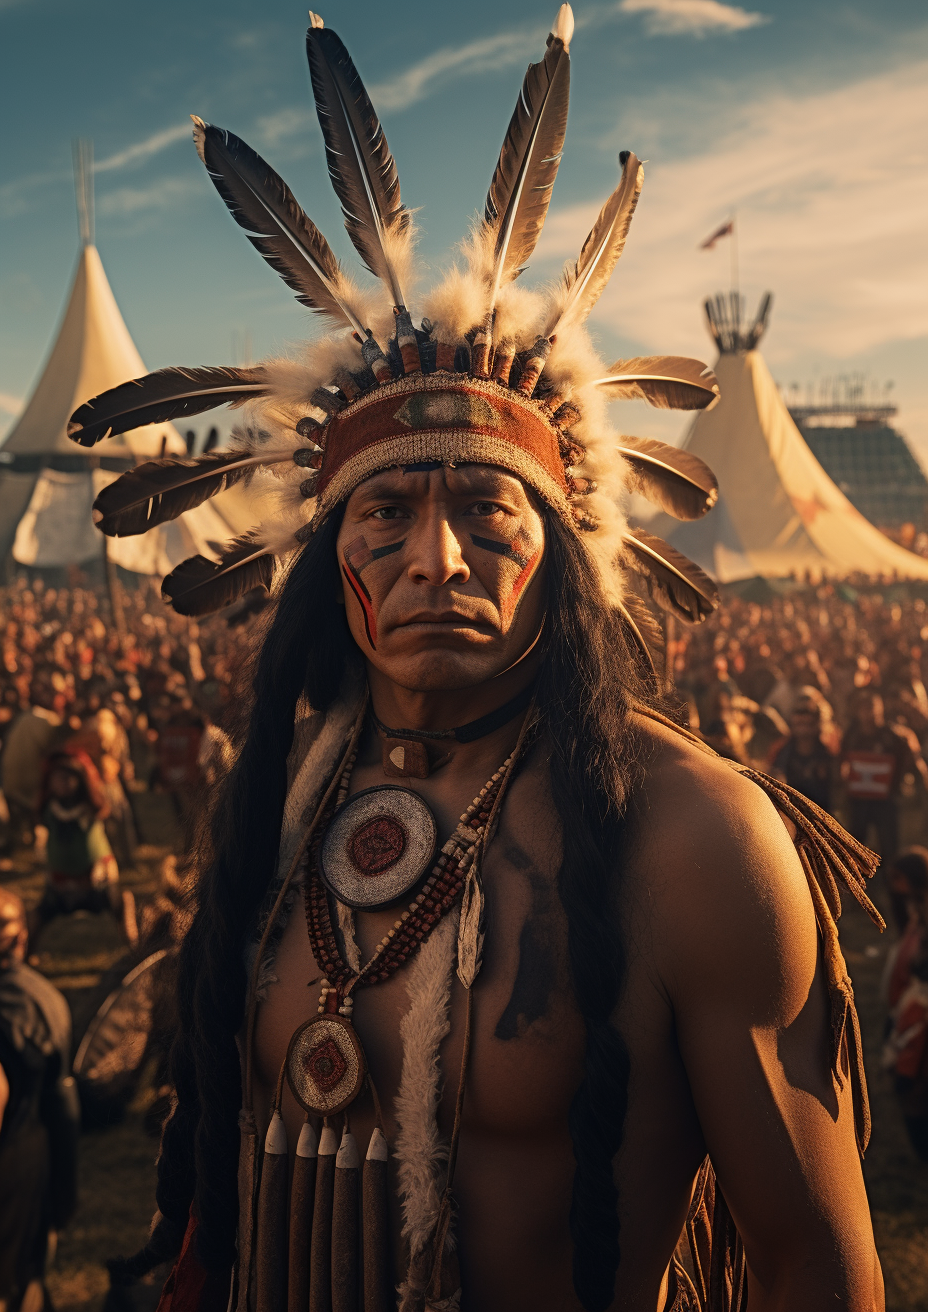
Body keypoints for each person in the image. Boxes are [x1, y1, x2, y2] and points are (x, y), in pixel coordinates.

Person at [73, 10, 883, 1311]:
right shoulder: (282, 808)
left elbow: (814, 1269)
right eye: (386, 513)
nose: (434, 558)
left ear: (566, 552)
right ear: (327, 557)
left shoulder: (693, 841)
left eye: (489, 512)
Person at [0, 890, 80, 1312]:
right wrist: (64, 1199)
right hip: (29, 1168)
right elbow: (63, 1109)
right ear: (23, 937)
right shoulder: (45, 1000)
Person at [30, 750, 137, 949]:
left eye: (69, 778)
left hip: (94, 877)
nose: (64, 783)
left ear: (80, 780)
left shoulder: (91, 807)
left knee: (116, 905)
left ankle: (133, 946)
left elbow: (104, 804)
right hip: (60, 880)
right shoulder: (48, 809)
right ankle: (24, 953)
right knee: (40, 914)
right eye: (58, 779)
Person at [841, 689, 928, 866]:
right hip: (859, 800)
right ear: (857, 712)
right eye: (864, 709)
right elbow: (842, 761)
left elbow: (910, 761)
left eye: (872, 707)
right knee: (857, 843)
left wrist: (900, 782)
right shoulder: (852, 736)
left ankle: (892, 879)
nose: (868, 713)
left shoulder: (893, 736)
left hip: (887, 800)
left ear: (880, 708)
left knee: (889, 846)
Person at [882, 849, 928, 1160]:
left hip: (921, 1007)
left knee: (911, 1080)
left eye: (898, 878)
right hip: (910, 1002)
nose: (893, 885)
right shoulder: (914, 912)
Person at [770, 689, 838, 814]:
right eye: (798, 712)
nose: (803, 718)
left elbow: (838, 794)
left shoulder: (830, 752)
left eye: (808, 712)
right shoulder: (780, 751)